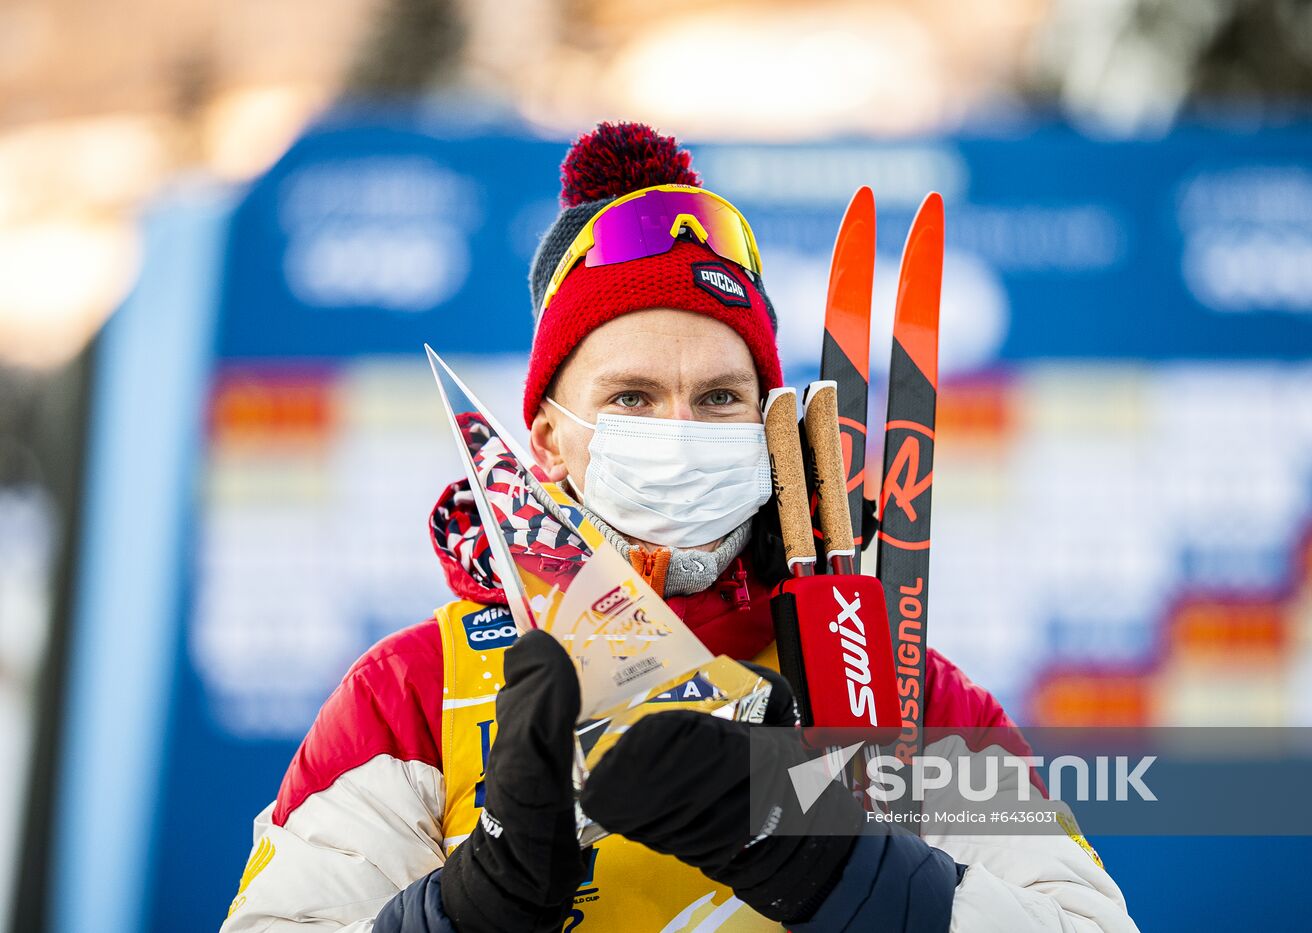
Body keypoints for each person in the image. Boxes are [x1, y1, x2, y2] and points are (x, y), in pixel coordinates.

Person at [220, 122, 1138, 933]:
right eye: (631, 398)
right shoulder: (414, 696)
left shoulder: (901, 688)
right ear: (546, 440)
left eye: (720, 398)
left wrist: (842, 869)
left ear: (774, 432)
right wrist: (463, 911)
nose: (681, 434)